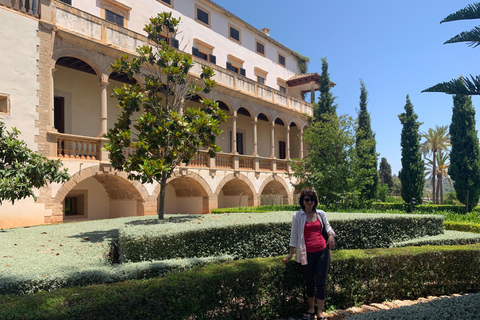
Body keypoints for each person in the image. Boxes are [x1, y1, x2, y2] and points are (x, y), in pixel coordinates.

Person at [284, 189, 336, 320]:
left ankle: (320, 311)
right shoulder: (297, 216)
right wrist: (290, 254)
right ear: (302, 201)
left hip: (322, 252)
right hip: (306, 253)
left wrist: (330, 235)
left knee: (321, 282)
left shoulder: (321, 214)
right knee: (309, 282)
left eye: (312, 200)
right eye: (306, 199)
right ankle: (311, 308)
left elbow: (328, 227)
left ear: (315, 202)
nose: (309, 202)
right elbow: (294, 236)